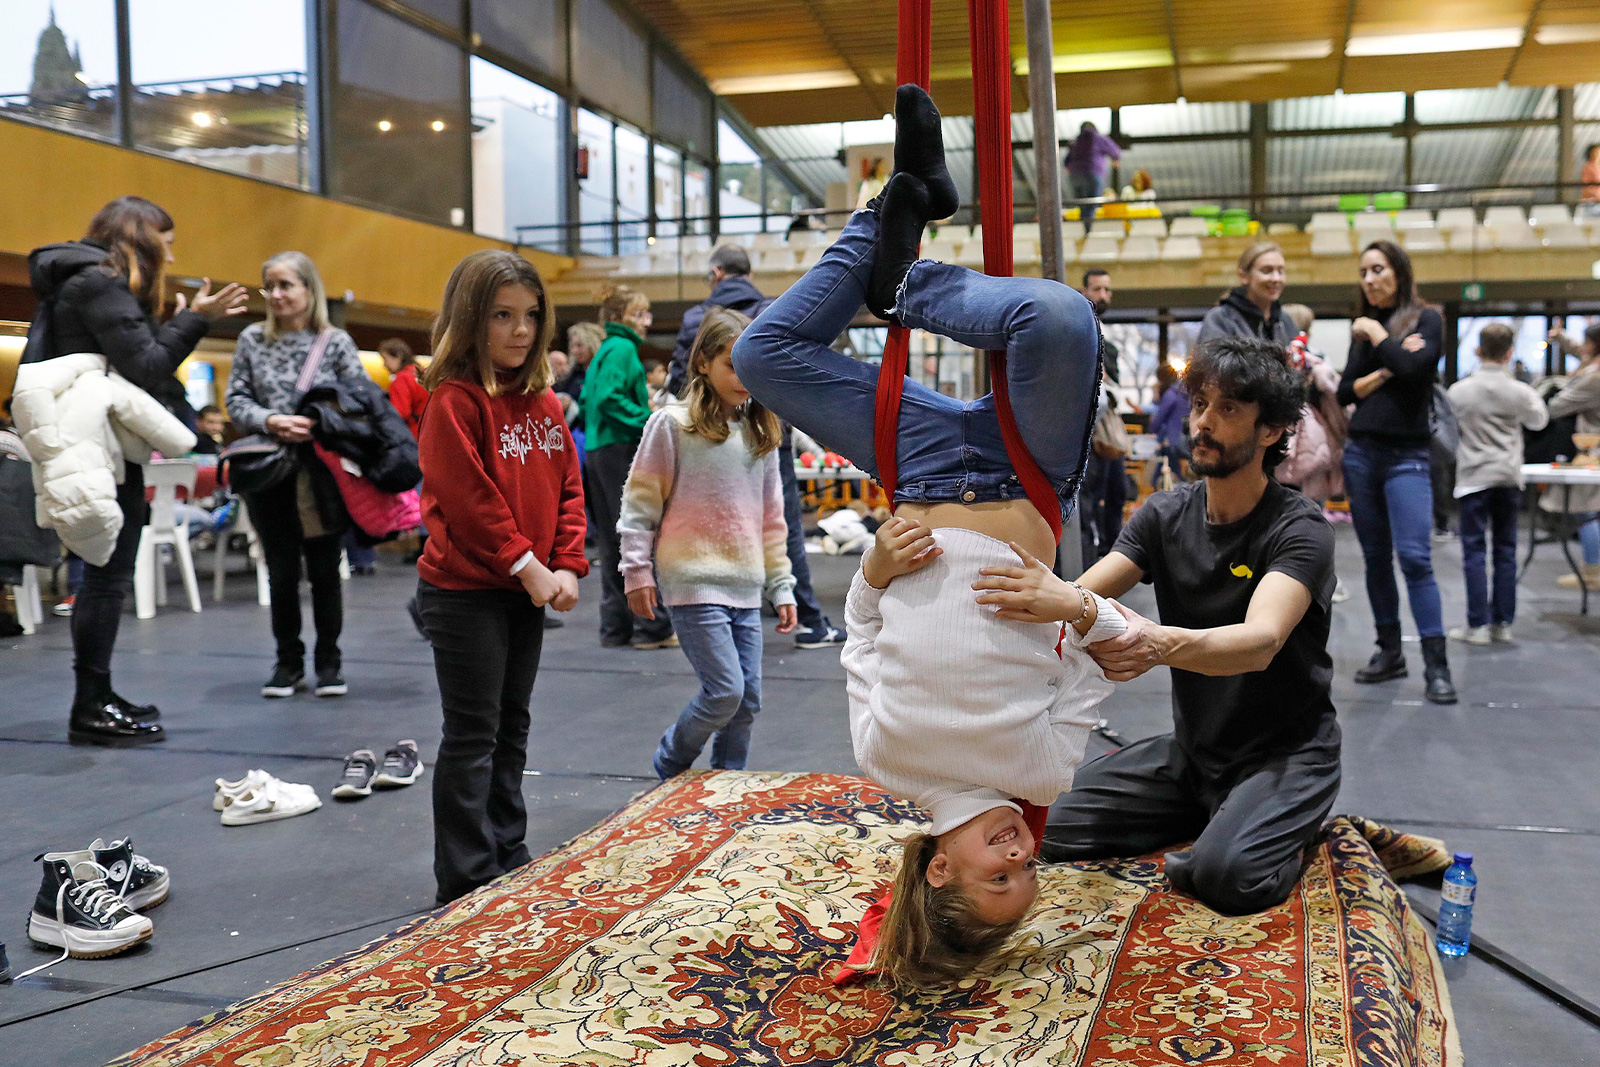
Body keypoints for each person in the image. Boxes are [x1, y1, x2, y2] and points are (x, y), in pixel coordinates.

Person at [734, 85, 1123, 989]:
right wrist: (1075, 604)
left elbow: (862, 633)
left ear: (939, 867)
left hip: (920, 475)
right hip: (1027, 473)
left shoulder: (885, 756)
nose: (1021, 853)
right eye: (1029, 871)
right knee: (1059, 317)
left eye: (1001, 873)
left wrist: (870, 566)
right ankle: (903, 282)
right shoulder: (1047, 772)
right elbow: (1101, 657)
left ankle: (894, 210)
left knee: (760, 357)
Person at [1003, 336, 1335, 918]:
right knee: (1040, 826)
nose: (1203, 423)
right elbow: (1083, 595)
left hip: (1286, 755)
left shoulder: (1300, 529)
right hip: (1195, 753)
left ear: (1271, 431)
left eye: (1228, 409)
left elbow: (1261, 642)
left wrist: (1157, 643)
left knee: (1224, 877)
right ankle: (1219, 815)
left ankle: (1266, 823)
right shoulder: (1164, 515)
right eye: (1201, 404)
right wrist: (1024, 596)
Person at [23, 195, 247, 744]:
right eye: (166, 241)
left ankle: (96, 694)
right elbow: (146, 365)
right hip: (103, 450)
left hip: (92, 445)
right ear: (143, 237)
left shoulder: (77, 281)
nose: (170, 252)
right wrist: (195, 320)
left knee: (104, 576)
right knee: (106, 577)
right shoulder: (99, 283)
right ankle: (91, 705)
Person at [413, 249, 586, 904]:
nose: (520, 329)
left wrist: (567, 559)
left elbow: (567, 487)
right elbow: (470, 499)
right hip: (465, 594)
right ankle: (465, 873)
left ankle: (506, 847)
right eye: (502, 316)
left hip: (525, 588)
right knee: (473, 730)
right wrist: (528, 563)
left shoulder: (541, 400)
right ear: (470, 319)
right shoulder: (452, 401)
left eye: (530, 315)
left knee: (513, 723)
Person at [619, 308, 799, 778]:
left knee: (748, 700)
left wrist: (781, 586)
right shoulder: (671, 425)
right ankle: (671, 763)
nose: (743, 378)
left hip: (744, 585)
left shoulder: (760, 433)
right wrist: (636, 570)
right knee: (725, 692)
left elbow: (771, 520)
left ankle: (727, 783)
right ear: (702, 363)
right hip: (692, 582)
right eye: (731, 364)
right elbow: (640, 503)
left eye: (750, 366)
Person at [225, 251, 369, 699]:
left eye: (287, 285)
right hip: (269, 468)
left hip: (320, 469)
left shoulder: (336, 342)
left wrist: (318, 422)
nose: (278, 295)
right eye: (270, 286)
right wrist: (271, 420)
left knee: (326, 568)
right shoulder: (252, 339)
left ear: (310, 289)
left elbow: (361, 401)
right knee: (280, 570)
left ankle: (329, 662)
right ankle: (287, 663)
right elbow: (236, 398)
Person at [1335, 240, 1456, 704]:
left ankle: (1437, 665)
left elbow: (1415, 367)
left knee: (1415, 559)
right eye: (1363, 271)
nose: (1369, 279)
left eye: (1378, 269)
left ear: (1399, 272)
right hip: (1361, 454)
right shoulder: (1363, 333)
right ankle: (1390, 651)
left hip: (1408, 456)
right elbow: (1347, 392)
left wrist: (1379, 341)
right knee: (1375, 560)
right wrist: (1389, 363)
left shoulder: (1427, 318)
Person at [579, 286, 675, 649]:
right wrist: (649, 416)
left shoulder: (606, 349)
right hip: (618, 449)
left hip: (600, 449)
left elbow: (591, 397)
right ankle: (651, 627)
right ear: (619, 318)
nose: (646, 322)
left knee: (612, 540)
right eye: (639, 314)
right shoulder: (622, 349)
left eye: (646, 314)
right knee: (634, 536)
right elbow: (607, 399)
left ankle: (616, 628)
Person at [1446, 323, 1548, 644]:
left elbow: (1446, 427)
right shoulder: (1519, 391)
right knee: (1505, 550)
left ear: (1478, 350)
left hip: (1473, 478)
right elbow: (1540, 420)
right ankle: (1502, 624)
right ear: (1510, 353)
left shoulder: (1459, 391)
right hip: (1507, 477)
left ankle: (1475, 626)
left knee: (1474, 551)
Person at [666, 245, 773, 396]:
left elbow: (680, 382)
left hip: (706, 414)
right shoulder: (772, 311)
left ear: (716, 273)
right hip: (763, 413)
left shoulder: (695, 317)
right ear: (750, 274)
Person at [1078, 269, 1131, 564]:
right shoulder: (1082, 327)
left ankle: (1113, 559)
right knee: (1086, 502)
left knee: (1117, 493)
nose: (1103, 295)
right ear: (1085, 290)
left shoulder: (1107, 334)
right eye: (1097, 289)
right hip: (1085, 430)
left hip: (1106, 428)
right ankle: (1087, 565)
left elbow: (1113, 383)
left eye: (1108, 290)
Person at [1545, 323, 1600, 588]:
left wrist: (1554, 391)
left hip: (1592, 449)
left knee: (1586, 511)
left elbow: (1557, 407)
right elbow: (1581, 351)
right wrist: (1562, 338)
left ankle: (1593, 571)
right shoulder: (1593, 366)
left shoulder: (1594, 376)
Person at [1197, 243, 1296, 347]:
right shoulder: (1221, 319)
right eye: (1266, 271)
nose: (1276, 278)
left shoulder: (1285, 320)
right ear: (1244, 276)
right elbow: (1210, 361)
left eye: (1280, 271)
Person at [1148, 360, 1188, 486]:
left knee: (1162, 479)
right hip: (1186, 440)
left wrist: (1153, 428)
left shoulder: (1171, 394)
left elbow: (1159, 419)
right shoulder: (1187, 392)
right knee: (1180, 477)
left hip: (1171, 441)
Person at [380, 338, 428, 441]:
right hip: (428, 433)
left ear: (398, 356)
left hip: (412, 437)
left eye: (385, 359)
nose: (384, 365)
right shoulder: (422, 374)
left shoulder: (402, 379)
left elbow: (399, 412)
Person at [1064, 121, 1120, 201]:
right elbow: (1115, 151)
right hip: (1093, 173)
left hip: (1075, 176)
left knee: (1081, 203)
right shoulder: (1098, 138)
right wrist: (1114, 159)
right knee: (1091, 204)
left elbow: (1066, 161)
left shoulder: (1076, 141)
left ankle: (1084, 213)